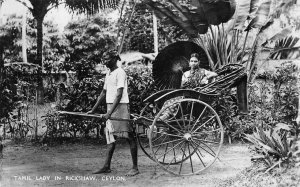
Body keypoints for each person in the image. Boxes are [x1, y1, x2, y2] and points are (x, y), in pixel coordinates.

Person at [87, 50, 139, 176]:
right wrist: (93, 110)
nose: (104, 61)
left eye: (106, 58)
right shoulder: (108, 73)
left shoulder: (120, 72)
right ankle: (106, 166)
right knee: (110, 136)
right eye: (103, 58)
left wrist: (109, 113)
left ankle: (135, 167)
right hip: (111, 106)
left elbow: (119, 94)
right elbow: (103, 93)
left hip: (120, 106)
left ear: (114, 59)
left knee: (128, 136)